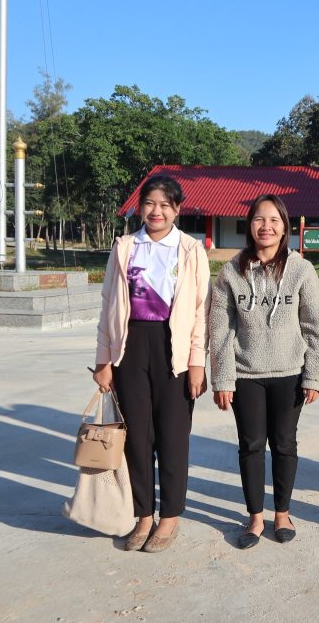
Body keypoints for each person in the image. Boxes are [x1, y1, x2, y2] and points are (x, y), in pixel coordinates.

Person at [93, 175, 210, 553]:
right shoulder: (125, 247)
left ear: (177, 209)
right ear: (139, 207)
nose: (156, 211)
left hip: (173, 350)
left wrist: (197, 362)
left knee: (172, 436)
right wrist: (103, 359)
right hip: (130, 348)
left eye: (164, 205)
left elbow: (201, 311)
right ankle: (144, 515)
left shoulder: (190, 250)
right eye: (149, 203)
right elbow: (108, 304)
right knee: (137, 438)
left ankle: (170, 517)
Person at [209, 195, 319, 549]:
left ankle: (283, 513)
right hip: (246, 375)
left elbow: (315, 326)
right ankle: (256, 517)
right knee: (251, 445)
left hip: (290, 373)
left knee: (285, 443)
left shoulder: (301, 270)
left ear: (284, 227)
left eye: (274, 220)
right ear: (250, 225)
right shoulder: (231, 272)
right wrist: (222, 378)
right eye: (259, 219)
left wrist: (314, 375)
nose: (266, 226)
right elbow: (220, 329)